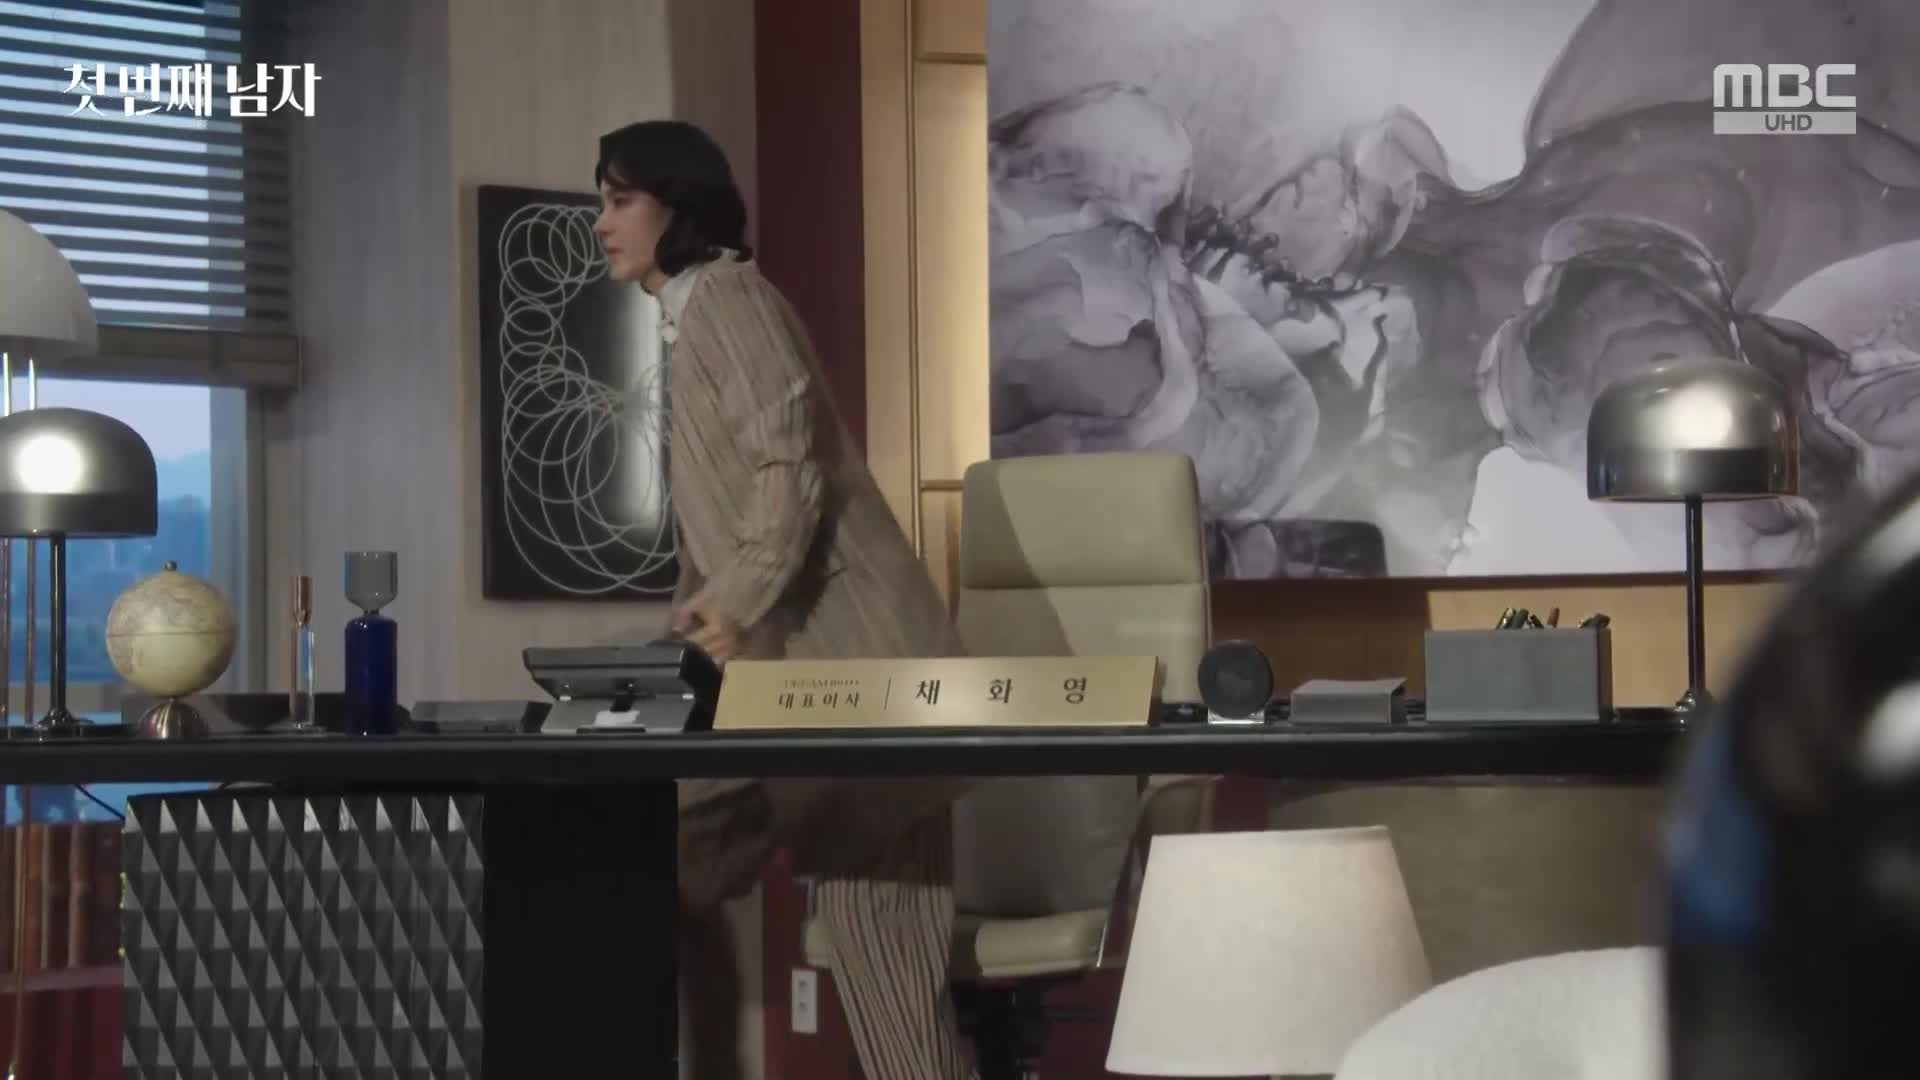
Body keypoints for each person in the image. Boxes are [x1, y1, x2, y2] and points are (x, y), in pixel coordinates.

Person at [593, 119, 978, 1080]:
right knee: (643, 853)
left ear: (678, 205)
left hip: (865, 678)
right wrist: (680, 646)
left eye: (620, 199)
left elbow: (788, 467)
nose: (601, 222)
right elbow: (723, 527)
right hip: (775, 688)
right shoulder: (690, 318)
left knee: (887, 975)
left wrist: (735, 600)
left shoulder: (729, 298)